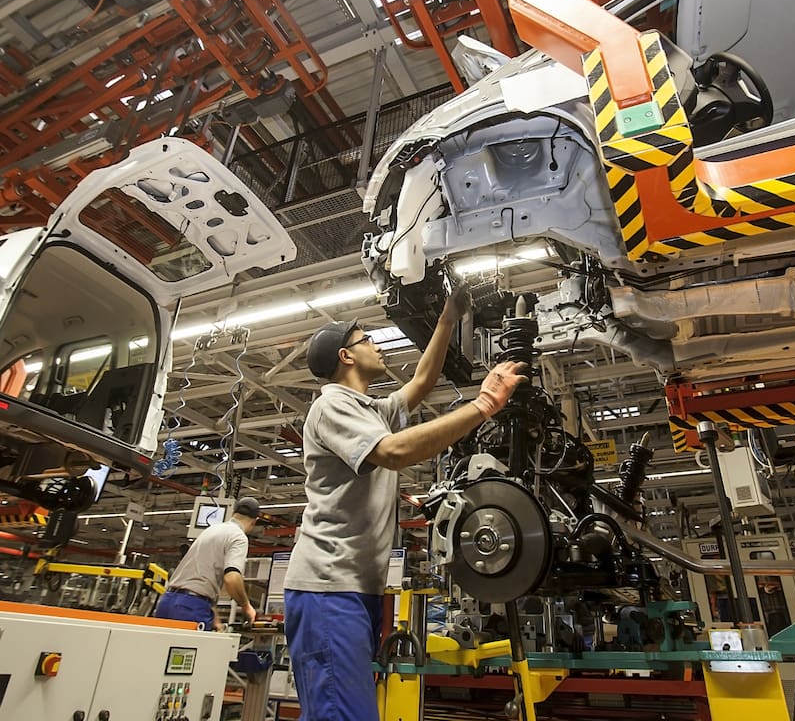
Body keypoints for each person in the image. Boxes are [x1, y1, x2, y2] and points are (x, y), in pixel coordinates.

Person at [284, 286, 527, 721]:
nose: (376, 344)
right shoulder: (331, 405)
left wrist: (447, 319)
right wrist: (485, 404)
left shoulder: (369, 409)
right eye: (367, 339)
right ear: (346, 356)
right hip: (328, 589)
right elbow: (393, 452)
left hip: (356, 589)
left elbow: (421, 383)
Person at [154, 495, 260, 630]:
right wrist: (246, 606)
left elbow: (199, 580)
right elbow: (231, 579)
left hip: (167, 601)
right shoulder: (238, 537)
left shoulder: (210, 530)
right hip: (190, 608)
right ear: (254, 521)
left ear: (233, 513)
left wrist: (214, 619)